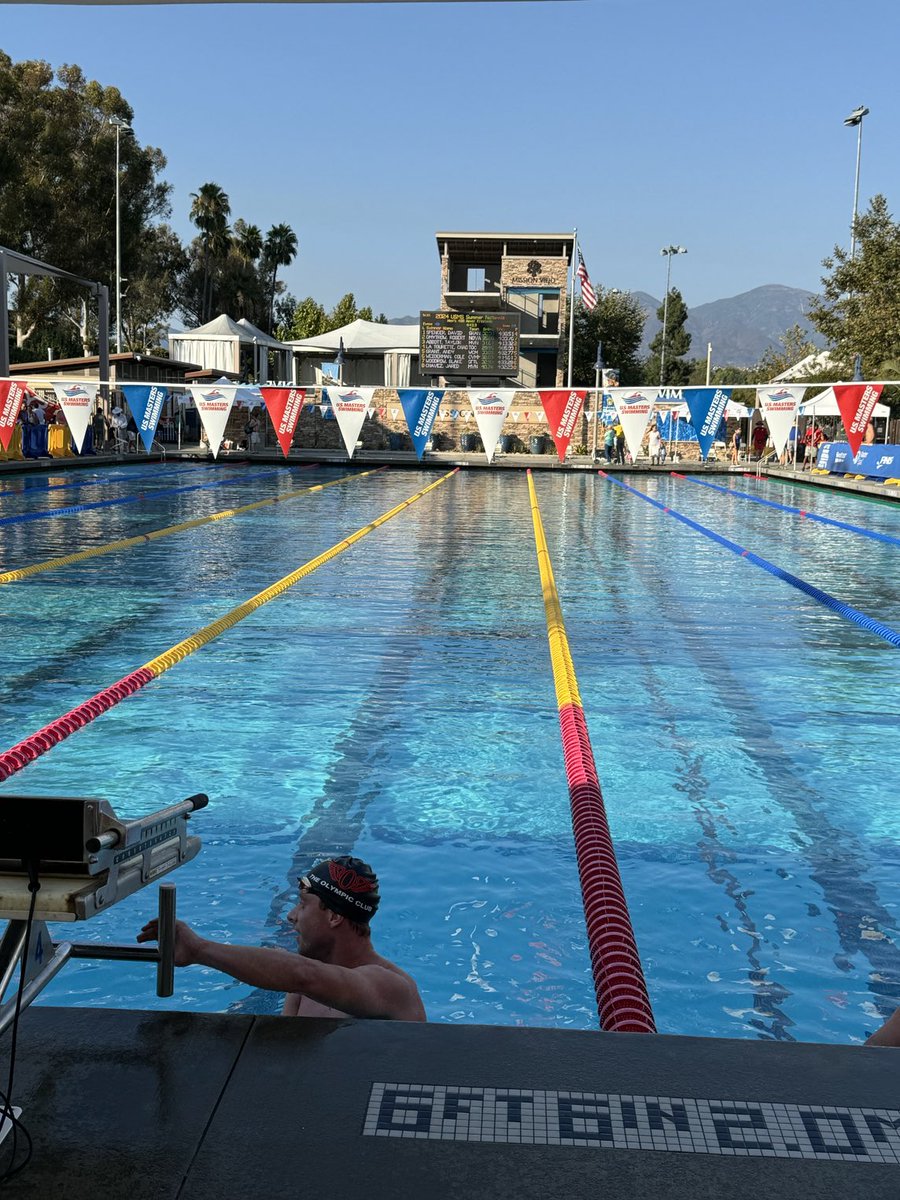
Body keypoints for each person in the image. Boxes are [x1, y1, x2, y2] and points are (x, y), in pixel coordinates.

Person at [137, 855, 426, 1021]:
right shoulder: (303, 986)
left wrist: (199, 949)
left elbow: (302, 975)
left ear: (334, 916)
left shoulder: (391, 987)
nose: (291, 915)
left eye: (302, 904)